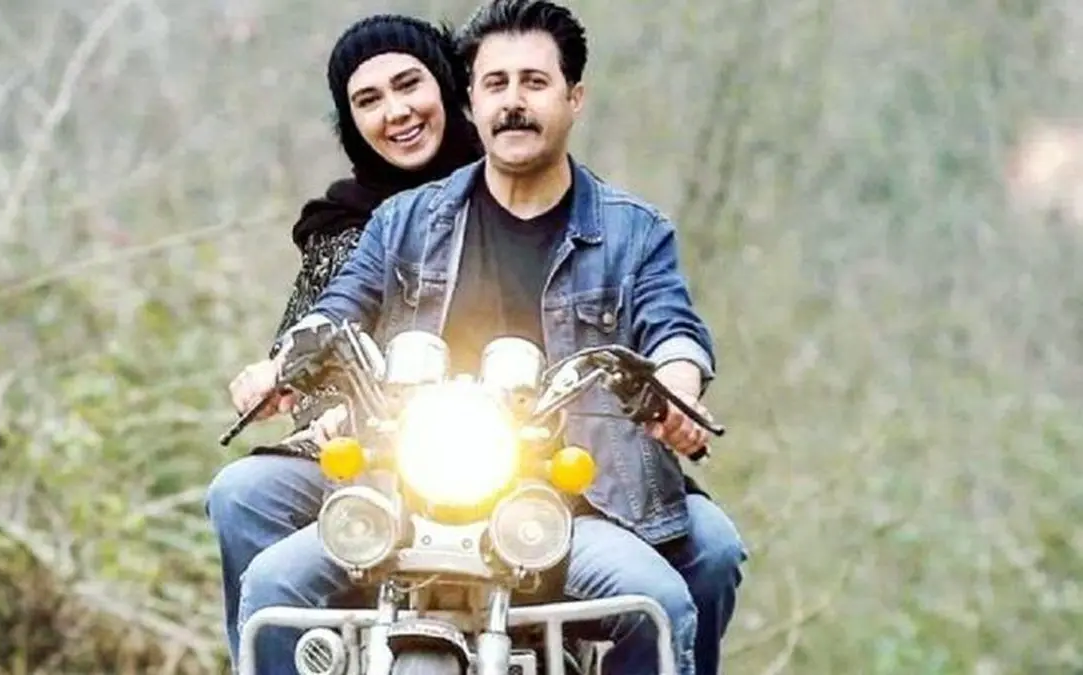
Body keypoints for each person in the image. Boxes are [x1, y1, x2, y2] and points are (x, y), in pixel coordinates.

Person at [224, 1, 748, 673]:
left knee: (661, 601)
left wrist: (677, 389)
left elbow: (672, 327)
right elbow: (339, 305)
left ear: (574, 97)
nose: (514, 103)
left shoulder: (634, 231)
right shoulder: (404, 219)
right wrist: (279, 365)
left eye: (535, 82)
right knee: (271, 587)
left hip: (567, 507)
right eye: (496, 84)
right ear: (471, 99)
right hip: (406, 494)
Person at [203, 12, 482, 663]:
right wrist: (300, 390)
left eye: (409, 85)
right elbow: (308, 344)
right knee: (239, 494)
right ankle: (299, 656)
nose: (396, 112)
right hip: (367, 455)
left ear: (446, 86)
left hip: (500, 453)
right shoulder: (343, 223)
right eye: (368, 100)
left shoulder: (508, 194)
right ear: (351, 121)